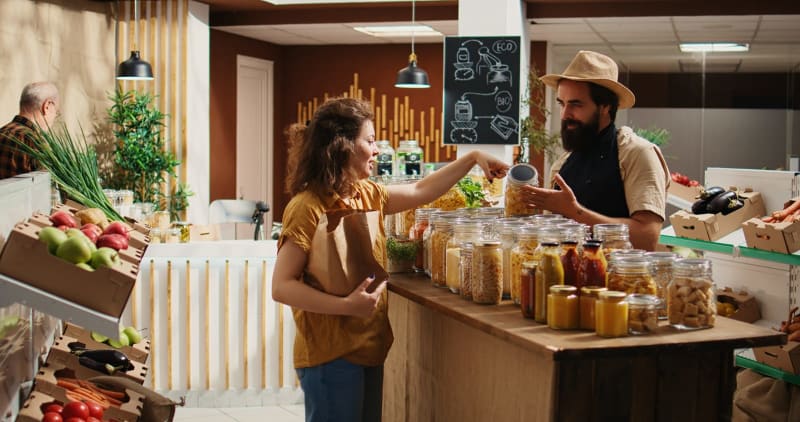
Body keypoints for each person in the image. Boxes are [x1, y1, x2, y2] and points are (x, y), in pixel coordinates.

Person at [272, 97, 508, 422]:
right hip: (330, 355)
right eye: (369, 141)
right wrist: (347, 306)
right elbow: (282, 286)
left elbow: (423, 190)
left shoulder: (367, 193)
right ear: (342, 147)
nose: (377, 149)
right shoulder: (307, 206)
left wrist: (472, 158)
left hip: (370, 348)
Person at [520, 50, 669, 250]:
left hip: (621, 278)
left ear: (605, 106)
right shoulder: (562, 165)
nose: (565, 115)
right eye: (561, 104)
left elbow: (647, 237)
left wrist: (575, 212)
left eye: (576, 104)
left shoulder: (637, 154)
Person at [0, 81, 60, 179]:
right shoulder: (35, 143)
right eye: (56, 112)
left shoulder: (2, 133)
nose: (54, 117)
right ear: (47, 106)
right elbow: (47, 188)